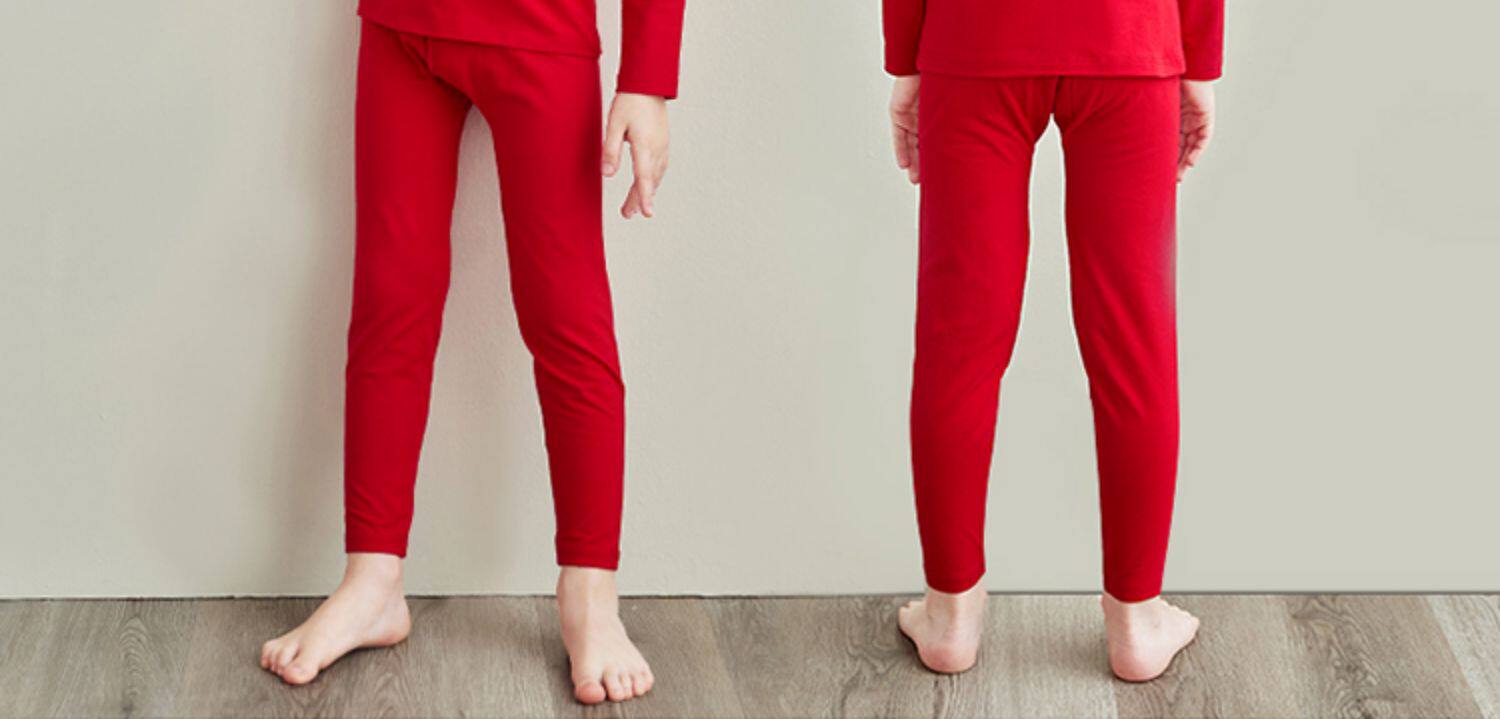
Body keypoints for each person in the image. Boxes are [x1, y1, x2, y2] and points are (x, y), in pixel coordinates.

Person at [258, 0, 685, 703]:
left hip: (541, 32)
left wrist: (647, 78)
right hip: (401, 28)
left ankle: (590, 592)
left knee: (565, 317)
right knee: (389, 300)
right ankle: (372, 579)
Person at [883, 0, 1223, 681]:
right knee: (1135, 343)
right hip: (1130, 37)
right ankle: (1137, 619)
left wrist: (907, 58)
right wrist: (1197, 61)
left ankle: (950, 614)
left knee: (958, 340)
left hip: (972, 36)